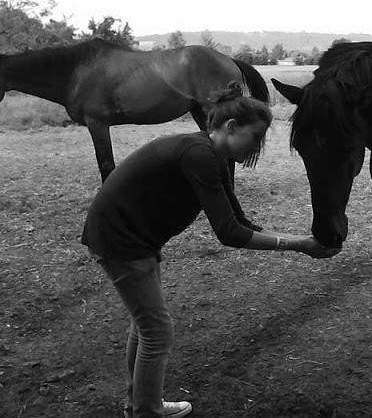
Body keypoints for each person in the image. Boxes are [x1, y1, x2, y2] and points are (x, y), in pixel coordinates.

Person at [81, 81, 338, 418]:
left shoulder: (210, 155)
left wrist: (303, 241)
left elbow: (240, 220)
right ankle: (146, 411)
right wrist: (298, 245)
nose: (258, 146)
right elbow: (229, 233)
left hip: (132, 238)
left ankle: (140, 404)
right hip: (121, 240)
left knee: (144, 325)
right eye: (256, 136)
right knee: (156, 332)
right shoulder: (199, 155)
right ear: (231, 127)